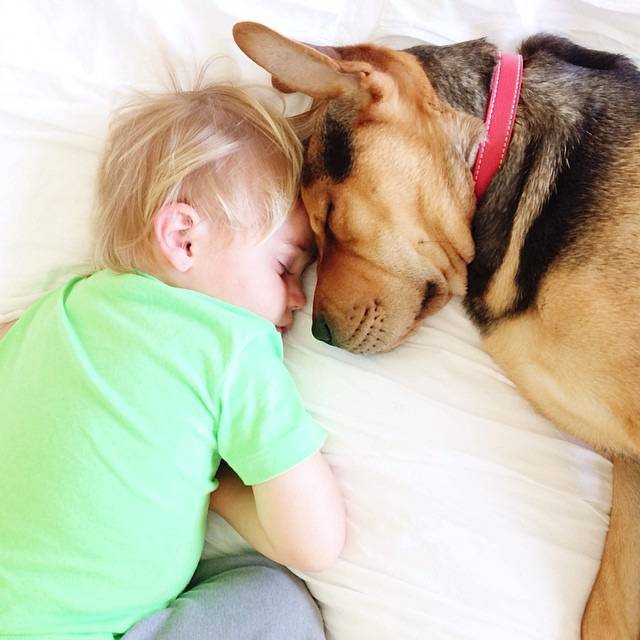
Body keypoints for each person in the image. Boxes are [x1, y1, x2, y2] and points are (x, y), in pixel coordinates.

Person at [0, 80, 345, 639]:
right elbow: (315, 543)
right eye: (285, 267)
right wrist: (222, 490)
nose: (298, 298)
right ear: (184, 237)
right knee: (278, 604)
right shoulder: (233, 344)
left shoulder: (59, 308)